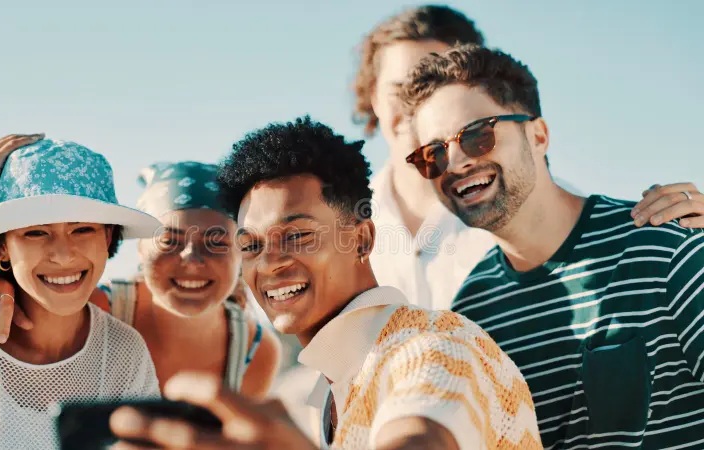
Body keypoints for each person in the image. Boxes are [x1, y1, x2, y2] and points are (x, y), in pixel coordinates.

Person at [108, 116, 542, 449]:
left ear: (362, 238)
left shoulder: (432, 345)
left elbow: (421, 435)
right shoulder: (330, 392)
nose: (270, 263)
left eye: (296, 235)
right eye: (251, 245)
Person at [398, 44, 704, 449]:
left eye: (476, 135)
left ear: (538, 135)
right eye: (432, 154)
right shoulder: (469, 320)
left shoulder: (664, 245)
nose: (454, 163)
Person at [352, 4, 704, 311]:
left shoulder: (529, 198)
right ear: (373, 98)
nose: (420, 105)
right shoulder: (340, 221)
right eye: (403, 91)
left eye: (476, 133)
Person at [0, 135, 163, 449]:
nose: (64, 254)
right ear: (2, 245)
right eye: (36, 232)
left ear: (108, 237)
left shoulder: (124, 352)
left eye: (82, 229)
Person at [0, 161, 282, 398]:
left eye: (217, 242)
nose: (192, 261)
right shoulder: (94, 310)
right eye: (169, 240)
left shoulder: (254, 352)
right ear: (138, 249)